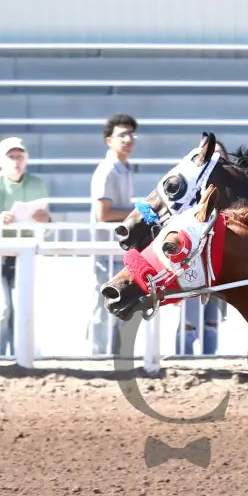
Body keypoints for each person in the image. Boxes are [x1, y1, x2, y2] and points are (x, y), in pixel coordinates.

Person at [0, 136, 50, 356]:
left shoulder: (37, 184)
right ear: (0, 160)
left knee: (20, 309)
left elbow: (46, 228)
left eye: (20, 156)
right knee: (2, 309)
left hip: (23, 254)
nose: (16, 161)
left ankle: (18, 360)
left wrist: (45, 220)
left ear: (26, 159)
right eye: (11, 156)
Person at [90, 113, 139, 355]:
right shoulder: (107, 170)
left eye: (131, 134)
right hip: (104, 252)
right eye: (122, 135)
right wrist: (136, 212)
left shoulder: (124, 168)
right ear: (109, 140)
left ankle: (113, 355)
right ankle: (99, 355)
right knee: (103, 306)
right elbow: (104, 213)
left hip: (117, 251)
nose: (128, 139)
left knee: (118, 305)